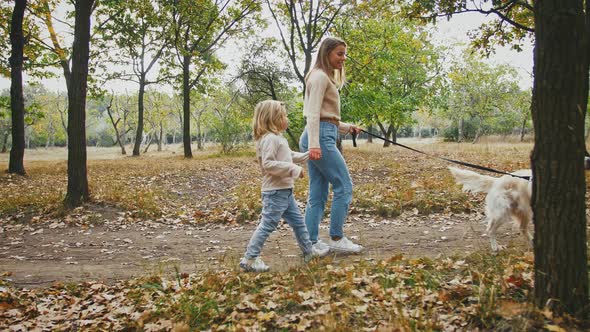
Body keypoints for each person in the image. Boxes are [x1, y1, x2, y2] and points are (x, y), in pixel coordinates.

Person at [240, 100, 330, 272]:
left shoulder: (277, 139)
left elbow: (288, 156)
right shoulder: (270, 140)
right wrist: (293, 169)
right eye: (283, 116)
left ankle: (308, 252)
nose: (286, 118)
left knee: (299, 223)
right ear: (273, 119)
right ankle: (250, 258)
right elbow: (268, 164)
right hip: (275, 193)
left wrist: (307, 155)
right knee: (267, 225)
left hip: (285, 193)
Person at [299, 37, 363, 254]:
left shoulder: (322, 77)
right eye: (339, 53)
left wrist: (347, 128)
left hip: (320, 133)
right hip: (319, 137)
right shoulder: (319, 77)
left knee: (318, 193)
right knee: (344, 186)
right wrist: (315, 144)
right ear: (326, 53)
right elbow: (313, 114)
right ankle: (336, 237)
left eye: (344, 54)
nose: (343, 59)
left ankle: (310, 242)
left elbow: (328, 118)